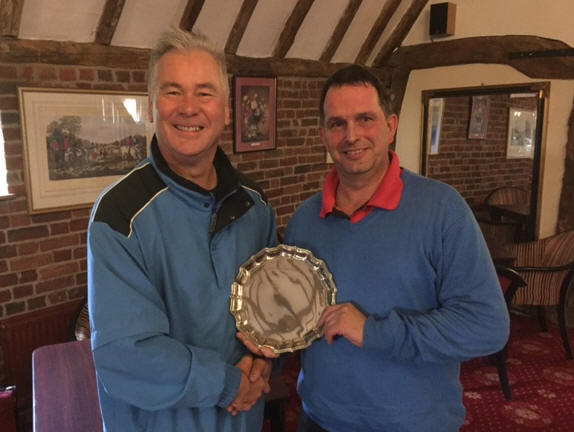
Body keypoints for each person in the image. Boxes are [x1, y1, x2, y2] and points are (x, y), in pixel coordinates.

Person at [284, 65, 510, 431]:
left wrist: (374, 332)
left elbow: (487, 326)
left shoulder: (443, 210)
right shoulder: (305, 220)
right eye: (338, 124)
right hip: (319, 419)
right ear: (323, 135)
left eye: (365, 119)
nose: (351, 135)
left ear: (390, 126)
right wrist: (262, 352)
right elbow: (293, 319)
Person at [87, 28, 277, 432]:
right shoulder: (119, 215)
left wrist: (264, 357)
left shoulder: (255, 206)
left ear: (226, 111)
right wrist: (229, 384)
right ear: (152, 107)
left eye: (204, 93)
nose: (189, 108)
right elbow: (126, 356)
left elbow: (272, 308)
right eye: (173, 92)